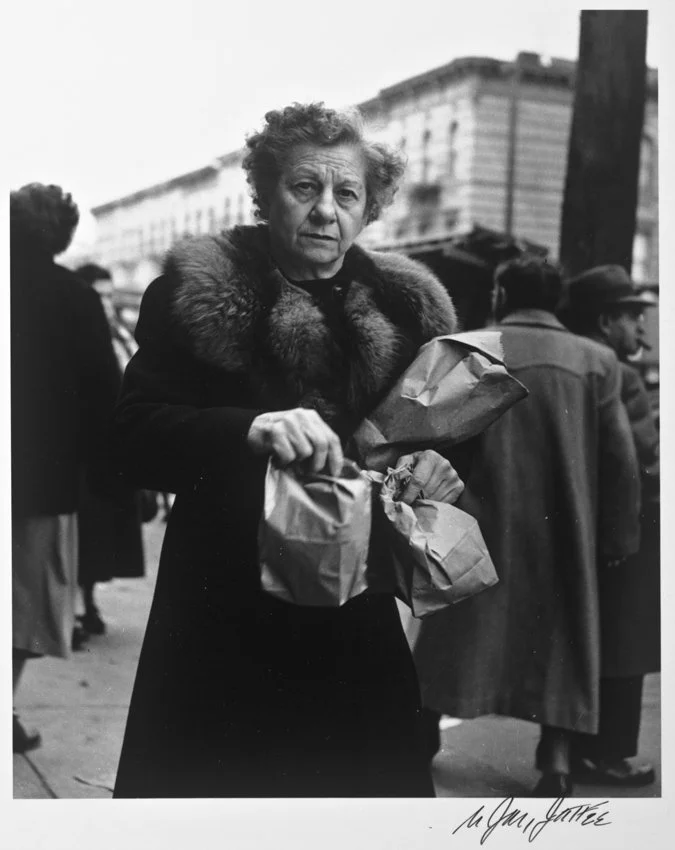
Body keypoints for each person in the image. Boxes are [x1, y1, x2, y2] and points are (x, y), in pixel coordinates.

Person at [112, 102, 465, 798]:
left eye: (346, 193)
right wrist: (248, 428)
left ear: (370, 207)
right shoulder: (195, 295)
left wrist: (437, 469)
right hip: (224, 601)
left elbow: (436, 439)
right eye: (304, 188)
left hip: (351, 605)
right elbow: (130, 441)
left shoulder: (405, 310)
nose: (324, 210)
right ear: (265, 192)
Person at [411, 256, 641, 796]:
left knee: (455, 638)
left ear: (500, 294)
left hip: (481, 525)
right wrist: (616, 537)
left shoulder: (469, 349)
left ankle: (419, 738)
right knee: (564, 641)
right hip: (569, 531)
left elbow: (434, 439)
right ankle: (555, 763)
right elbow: (620, 462)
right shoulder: (597, 360)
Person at [11, 184, 121, 751]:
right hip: (44, 480)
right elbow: (106, 392)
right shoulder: (75, 298)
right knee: (29, 604)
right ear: (64, 233)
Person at [561, 264, 659, 787]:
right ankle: (608, 754)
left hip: (586, 524)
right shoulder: (615, 374)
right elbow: (638, 461)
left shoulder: (578, 366)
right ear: (605, 322)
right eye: (631, 318)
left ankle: (579, 750)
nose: (641, 331)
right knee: (626, 643)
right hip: (626, 528)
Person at [70, 263, 147, 639]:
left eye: (108, 295)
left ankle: (88, 602)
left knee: (100, 536)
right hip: (85, 452)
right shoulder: (74, 335)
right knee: (83, 537)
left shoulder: (118, 332)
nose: (104, 303)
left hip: (115, 449)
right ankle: (75, 608)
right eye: (97, 295)